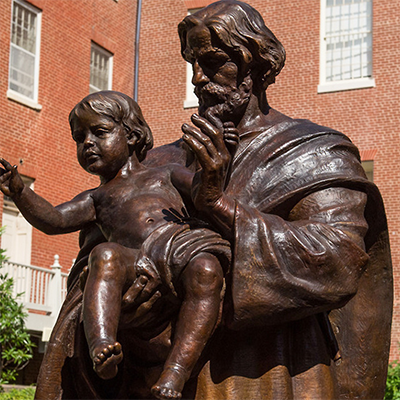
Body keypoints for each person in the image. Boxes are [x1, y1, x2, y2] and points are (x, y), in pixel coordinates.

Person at [35, 1, 392, 399]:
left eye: (214, 62)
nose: (198, 79)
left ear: (256, 65)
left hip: (269, 374)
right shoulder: (157, 162)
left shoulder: (313, 152)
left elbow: (336, 262)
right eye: (192, 64)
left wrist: (219, 206)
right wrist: (121, 307)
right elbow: (96, 257)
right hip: (153, 377)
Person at [0, 91, 231, 400]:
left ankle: (176, 372)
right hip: (132, 264)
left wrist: (215, 162)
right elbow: (54, 220)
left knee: (206, 268)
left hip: (177, 251)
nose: (87, 143)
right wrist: (20, 192)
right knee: (104, 254)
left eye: (99, 132)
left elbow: (205, 197)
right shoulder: (95, 198)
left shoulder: (167, 174)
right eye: (79, 138)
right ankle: (102, 347)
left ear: (133, 135)